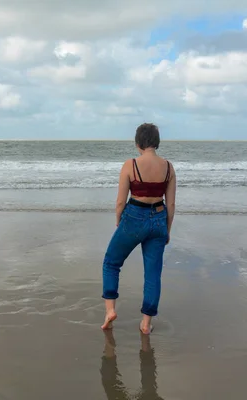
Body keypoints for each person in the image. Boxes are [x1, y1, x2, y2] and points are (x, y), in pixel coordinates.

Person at [101, 123, 176, 335]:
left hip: (134, 217)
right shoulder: (169, 167)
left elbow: (119, 202)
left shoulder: (130, 165)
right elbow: (170, 205)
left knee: (111, 262)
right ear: (157, 142)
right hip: (159, 219)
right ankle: (145, 323)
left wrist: (119, 221)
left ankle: (110, 311)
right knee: (153, 274)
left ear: (138, 143)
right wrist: (166, 229)